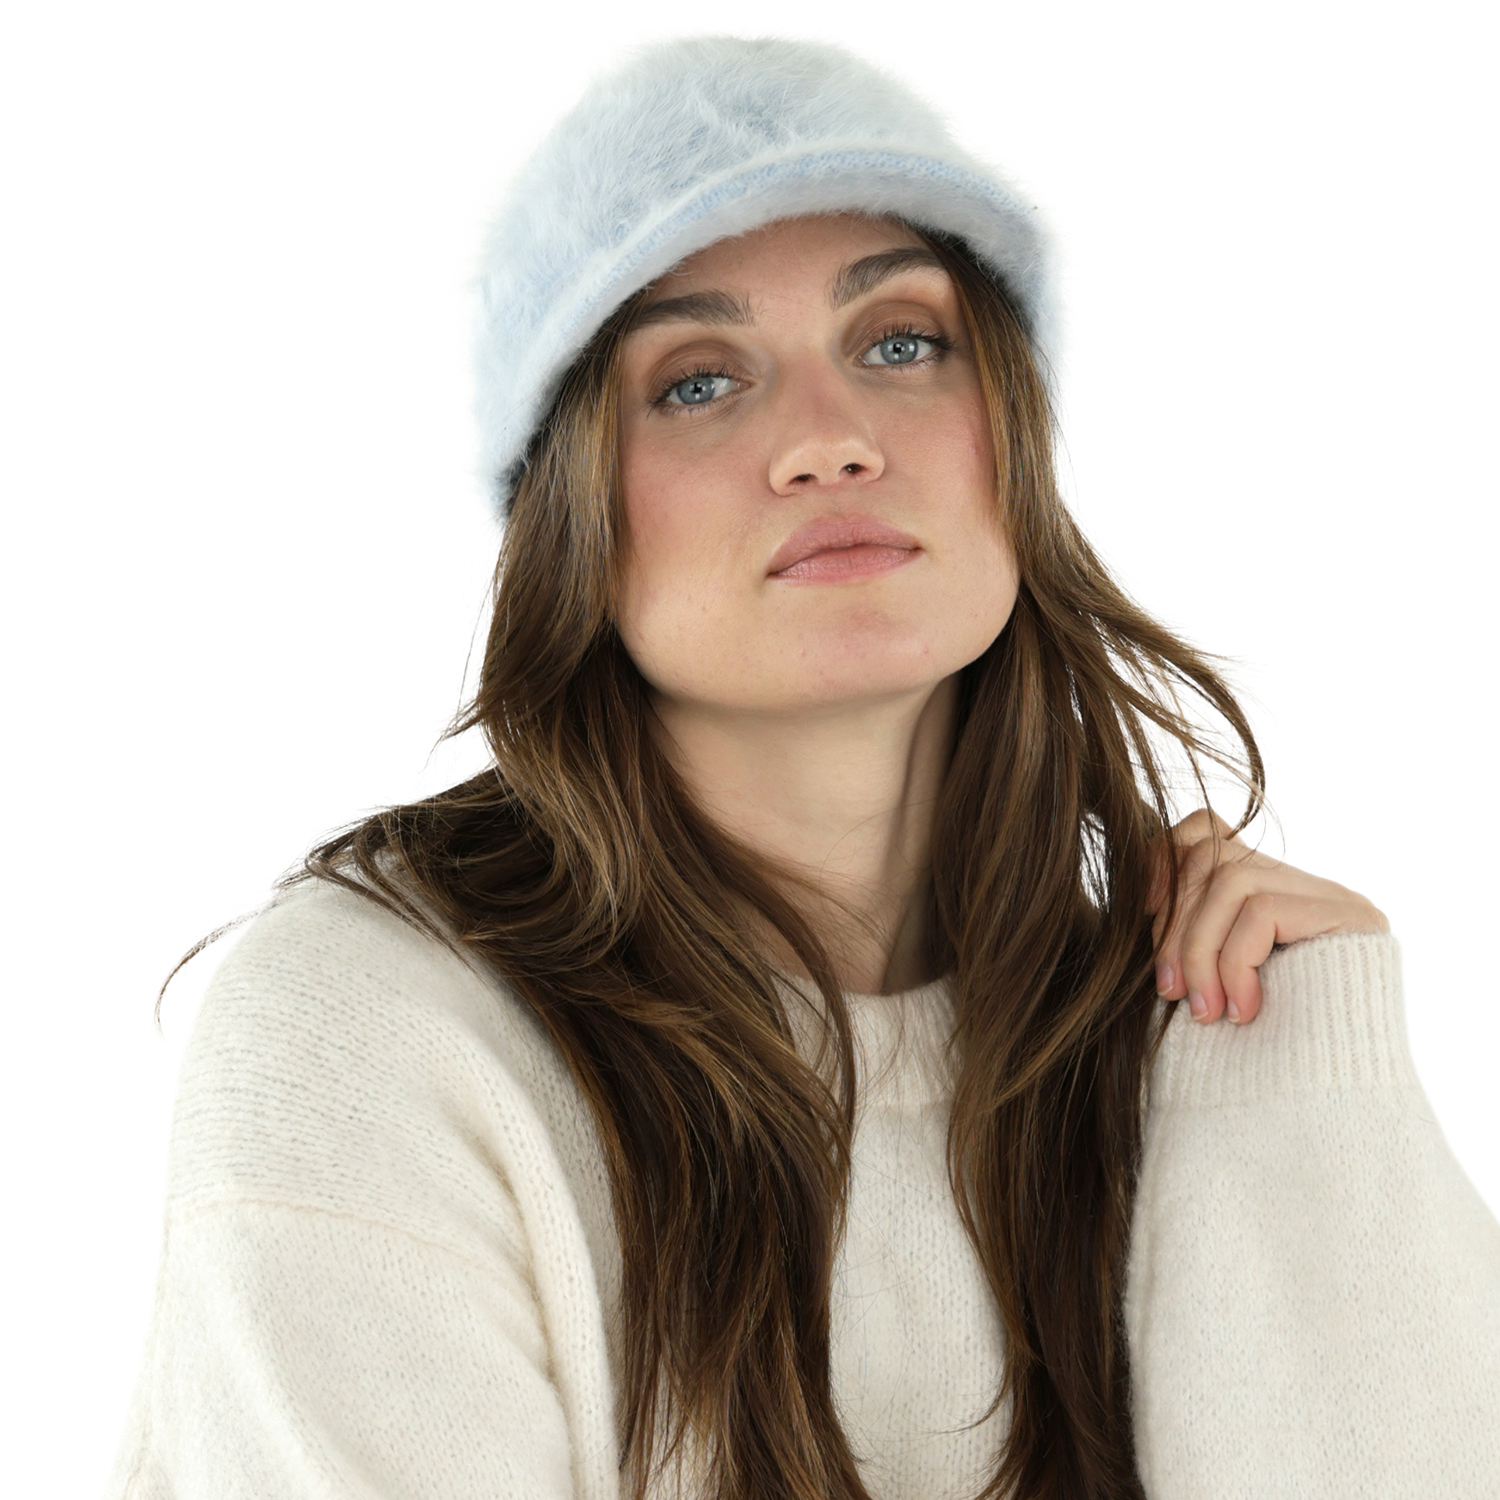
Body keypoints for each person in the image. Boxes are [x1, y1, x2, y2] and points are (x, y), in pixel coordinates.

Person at [107, 35, 1500, 1500]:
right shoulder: (377, 1032)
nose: (829, 443)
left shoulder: (1176, 1030)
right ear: (572, 516)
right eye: (699, 382)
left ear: (1010, 440)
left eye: (900, 343)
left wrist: (1308, 1089)